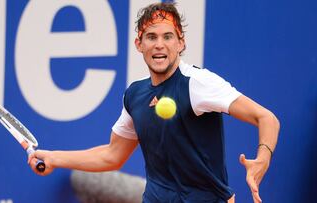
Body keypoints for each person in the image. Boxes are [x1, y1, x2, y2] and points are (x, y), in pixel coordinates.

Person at [28, 2, 280, 203]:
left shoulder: (198, 83)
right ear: (139, 44)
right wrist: (54, 157)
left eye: (168, 36)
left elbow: (266, 118)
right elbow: (112, 155)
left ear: (180, 43)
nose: (159, 44)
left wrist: (262, 158)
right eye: (151, 37)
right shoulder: (135, 94)